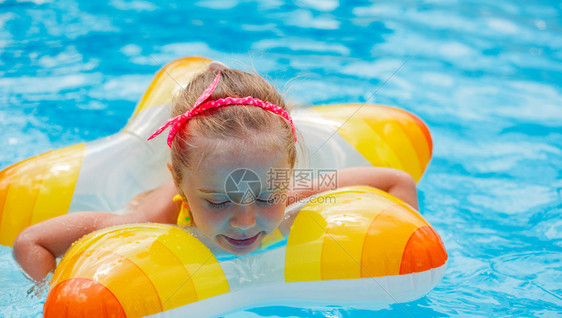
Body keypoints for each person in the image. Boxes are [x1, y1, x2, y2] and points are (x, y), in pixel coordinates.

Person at [13, 63, 418, 283]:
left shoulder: (289, 189)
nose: (245, 220)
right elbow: (31, 242)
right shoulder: (147, 222)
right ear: (179, 183)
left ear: (287, 172)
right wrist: (51, 292)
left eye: (263, 198)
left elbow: (396, 181)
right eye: (219, 201)